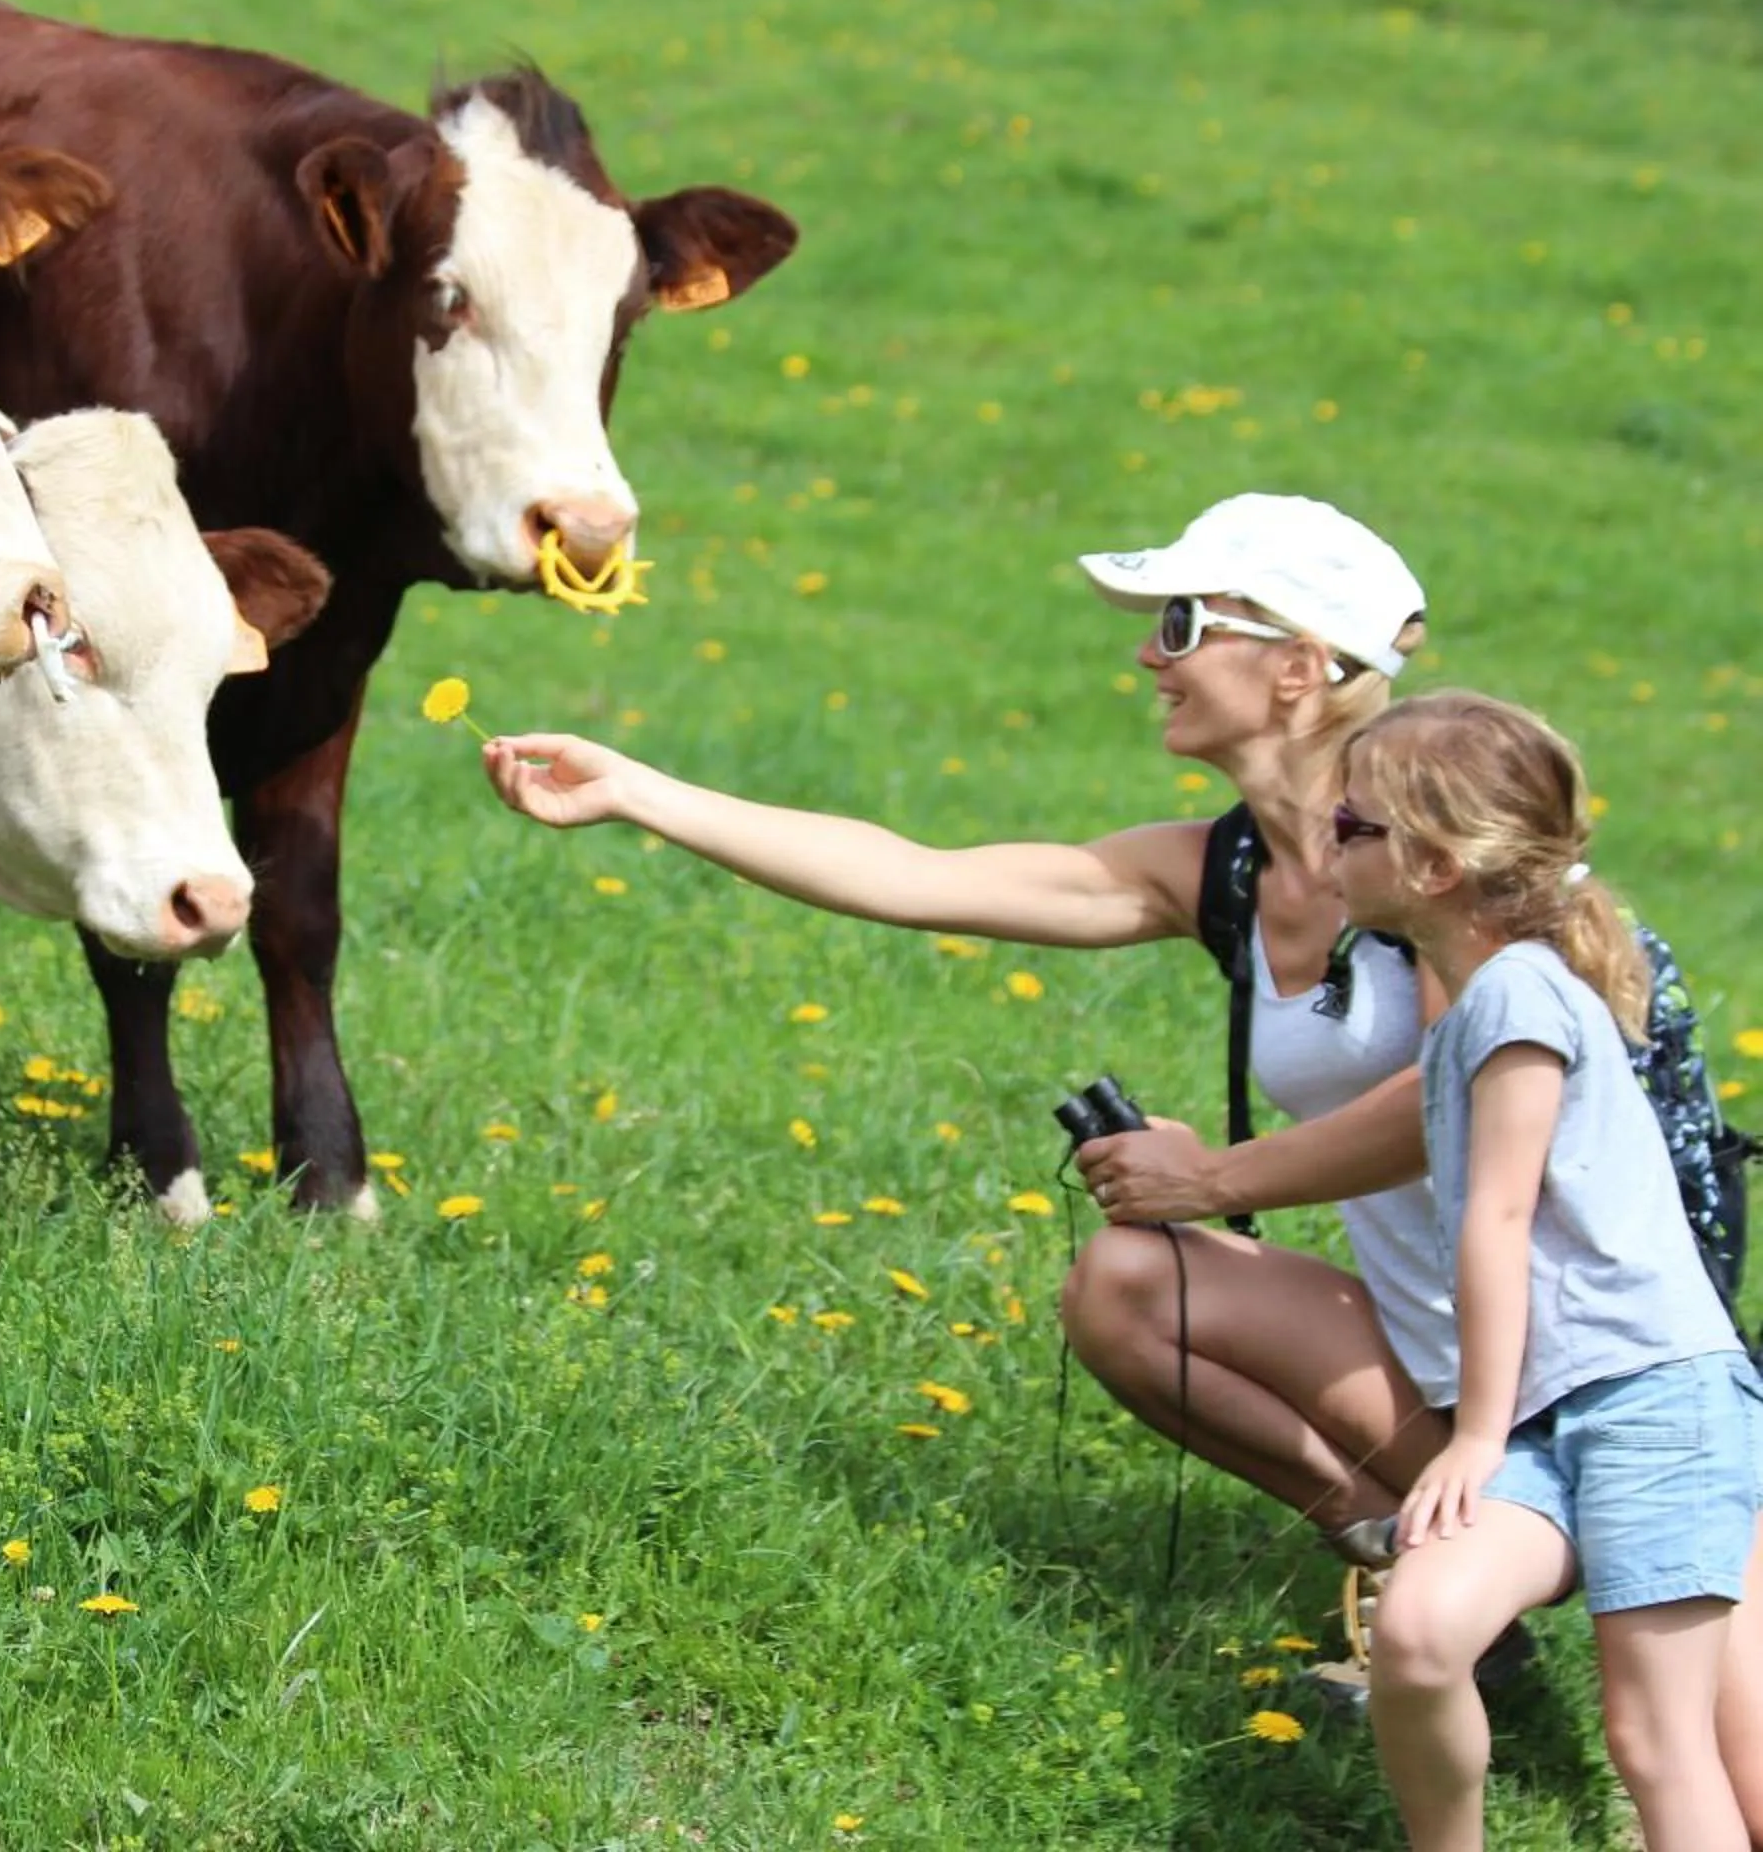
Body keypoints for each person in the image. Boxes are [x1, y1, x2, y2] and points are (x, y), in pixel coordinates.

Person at [479, 492, 1763, 1803]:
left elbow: (1442, 1105)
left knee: (1724, 1762)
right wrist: (639, 791)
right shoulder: (1226, 871)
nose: (1149, 657)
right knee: (1133, 1285)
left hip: (1634, 1378)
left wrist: (1217, 1178)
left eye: (1181, 622)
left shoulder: (1435, 860)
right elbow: (919, 874)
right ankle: (1408, 1567)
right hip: (1454, 1372)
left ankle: (1467, 1580)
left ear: (1299, 666)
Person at [1336, 690, 1762, 1851]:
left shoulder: (1518, 993)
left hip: (1654, 1399)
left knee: (1657, 1739)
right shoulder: (1488, 996)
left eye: (1350, 825)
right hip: (1553, 1413)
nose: (1327, 844)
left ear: (1431, 862)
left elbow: (1499, 1217)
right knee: (1421, 1632)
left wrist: (1473, 1439)